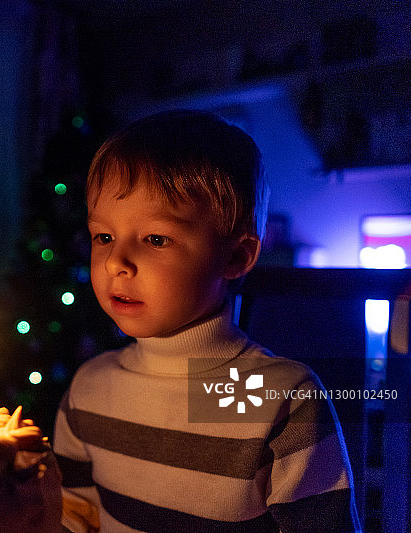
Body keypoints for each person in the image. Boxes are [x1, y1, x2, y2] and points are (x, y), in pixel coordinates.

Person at [53, 110, 361, 532]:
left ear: (235, 257)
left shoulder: (279, 400)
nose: (116, 262)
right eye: (103, 236)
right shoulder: (88, 390)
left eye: (155, 239)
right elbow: (76, 519)